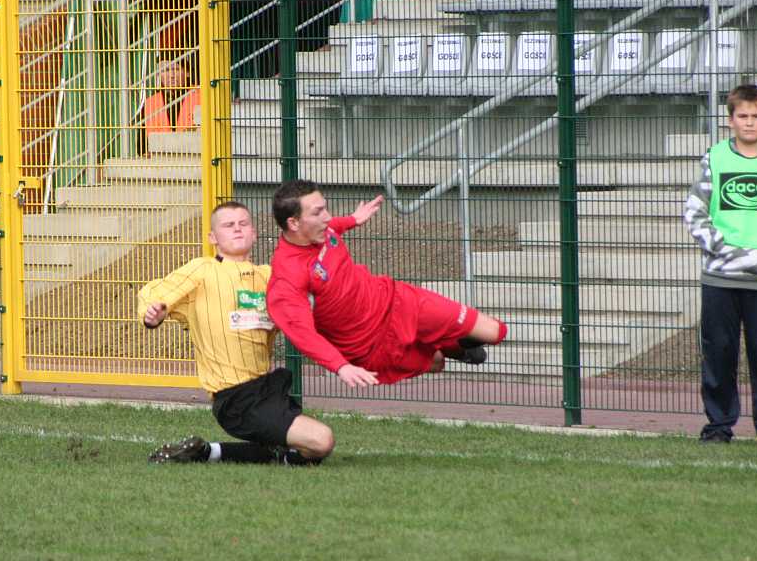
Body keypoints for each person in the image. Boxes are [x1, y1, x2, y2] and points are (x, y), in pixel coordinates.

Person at [137, 201, 334, 465]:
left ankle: (208, 453)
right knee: (322, 440)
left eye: (243, 224)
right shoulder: (203, 271)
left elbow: (305, 306)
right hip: (234, 398)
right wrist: (153, 314)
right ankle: (275, 453)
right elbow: (153, 294)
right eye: (228, 225)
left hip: (268, 389)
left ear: (254, 232)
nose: (237, 230)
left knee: (307, 456)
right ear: (213, 238)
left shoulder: (269, 276)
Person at [266, 179, 509, 389]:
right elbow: (303, 333)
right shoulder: (287, 278)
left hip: (397, 301)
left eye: (325, 208)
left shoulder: (320, 230)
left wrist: (353, 219)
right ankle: (452, 348)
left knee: (496, 332)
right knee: (436, 362)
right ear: (294, 223)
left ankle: (455, 344)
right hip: (371, 345)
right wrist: (340, 366)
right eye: (317, 212)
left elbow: (333, 227)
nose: (327, 217)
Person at [683, 84, 757, 446]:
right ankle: (718, 427)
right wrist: (724, 251)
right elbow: (695, 213)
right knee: (719, 353)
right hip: (719, 277)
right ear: (730, 120)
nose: (749, 123)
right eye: (742, 116)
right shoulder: (714, 159)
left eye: (756, 116)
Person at [143, 56, 201, 137]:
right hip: (160, 149)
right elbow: (143, 142)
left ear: (187, 72)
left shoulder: (201, 96)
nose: (171, 75)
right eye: (166, 70)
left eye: (176, 69)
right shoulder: (151, 103)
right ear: (158, 74)